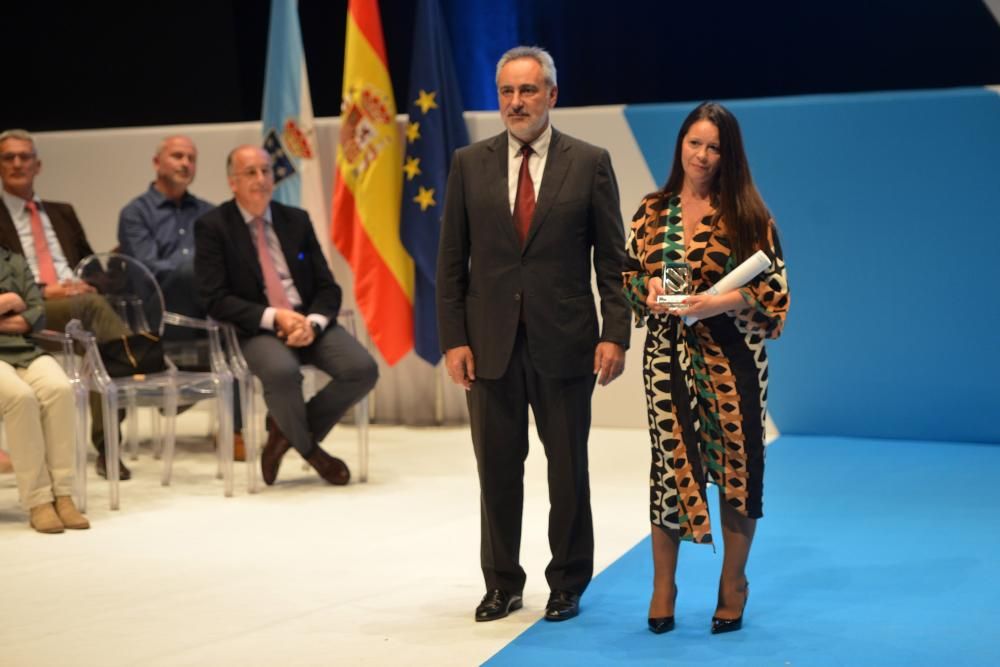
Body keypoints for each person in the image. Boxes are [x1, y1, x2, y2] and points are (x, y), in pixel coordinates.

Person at [437, 46, 630, 623]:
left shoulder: (590, 161)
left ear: (552, 94)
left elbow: (612, 260)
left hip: (566, 340)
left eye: (527, 91)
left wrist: (615, 331)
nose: (516, 103)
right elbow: (451, 261)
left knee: (567, 469)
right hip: (489, 344)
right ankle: (502, 583)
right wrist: (454, 339)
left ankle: (568, 581)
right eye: (506, 93)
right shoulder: (468, 163)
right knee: (496, 470)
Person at [622, 102, 790, 635]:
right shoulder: (652, 210)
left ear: (728, 154)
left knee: (738, 470)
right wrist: (645, 288)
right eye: (694, 143)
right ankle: (663, 587)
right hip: (667, 360)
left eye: (714, 146)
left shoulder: (748, 215)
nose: (702, 155)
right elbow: (627, 272)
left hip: (732, 362)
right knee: (670, 471)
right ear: (680, 145)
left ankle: (732, 584)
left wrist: (717, 303)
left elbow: (776, 290)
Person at [194, 145, 377, 487]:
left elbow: (328, 287)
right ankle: (313, 453)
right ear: (233, 182)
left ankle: (283, 431)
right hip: (257, 328)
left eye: (266, 171)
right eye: (251, 173)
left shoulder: (296, 219)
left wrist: (314, 323)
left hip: (309, 323)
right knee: (282, 372)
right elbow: (215, 299)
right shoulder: (213, 227)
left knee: (362, 369)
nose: (261, 179)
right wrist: (274, 317)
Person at [0, 128, 130, 481]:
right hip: (25, 311)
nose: (16, 163)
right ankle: (141, 363)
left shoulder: (62, 212)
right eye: (8, 157)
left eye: (24, 156)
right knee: (94, 312)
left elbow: (95, 268)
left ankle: (108, 448)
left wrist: (84, 284)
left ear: (38, 165)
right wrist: (44, 290)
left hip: (75, 303)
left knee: (98, 338)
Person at [118, 135, 246, 460]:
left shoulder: (208, 212)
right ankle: (221, 416)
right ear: (157, 162)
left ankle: (235, 430)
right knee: (197, 274)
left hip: (206, 314)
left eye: (191, 158)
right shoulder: (135, 213)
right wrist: (204, 271)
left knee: (234, 316)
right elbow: (148, 271)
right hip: (159, 314)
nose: (186, 163)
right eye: (177, 156)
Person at [1, 246, 90, 533]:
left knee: (59, 389)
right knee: (20, 397)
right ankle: (38, 500)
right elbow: (22, 305)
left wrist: (21, 310)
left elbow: (36, 313)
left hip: (24, 350)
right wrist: (10, 301)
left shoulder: (12, 260)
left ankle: (63, 495)